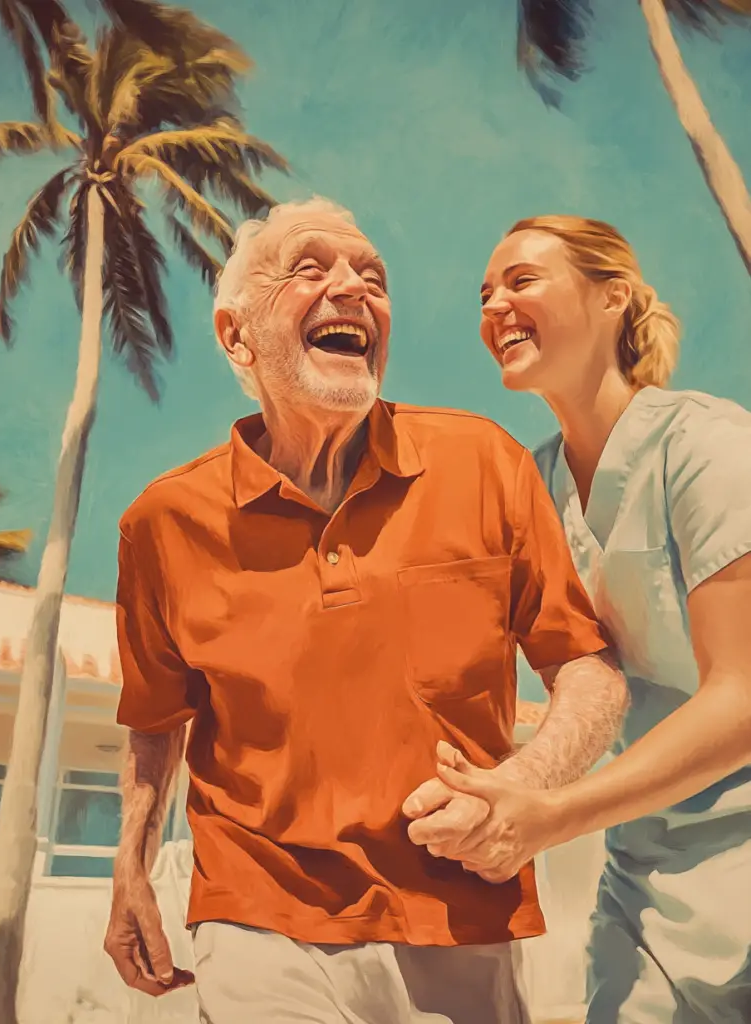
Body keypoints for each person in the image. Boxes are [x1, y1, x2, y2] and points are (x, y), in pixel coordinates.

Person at [103, 198, 629, 1024]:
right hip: (255, 911)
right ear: (236, 335)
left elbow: (586, 666)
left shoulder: (481, 461)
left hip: (459, 911)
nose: (353, 288)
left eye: (372, 277)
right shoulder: (163, 522)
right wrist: (128, 866)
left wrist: (526, 783)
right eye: (309, 268)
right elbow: (156, 718)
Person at [404, 215, 751, 1023]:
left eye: (521, 280)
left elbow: (740, 696)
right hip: (650, 870)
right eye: (483, 294)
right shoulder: (529, 485)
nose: (493, 305)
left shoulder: (710, 447)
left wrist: (551, 814)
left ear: (612, 297)